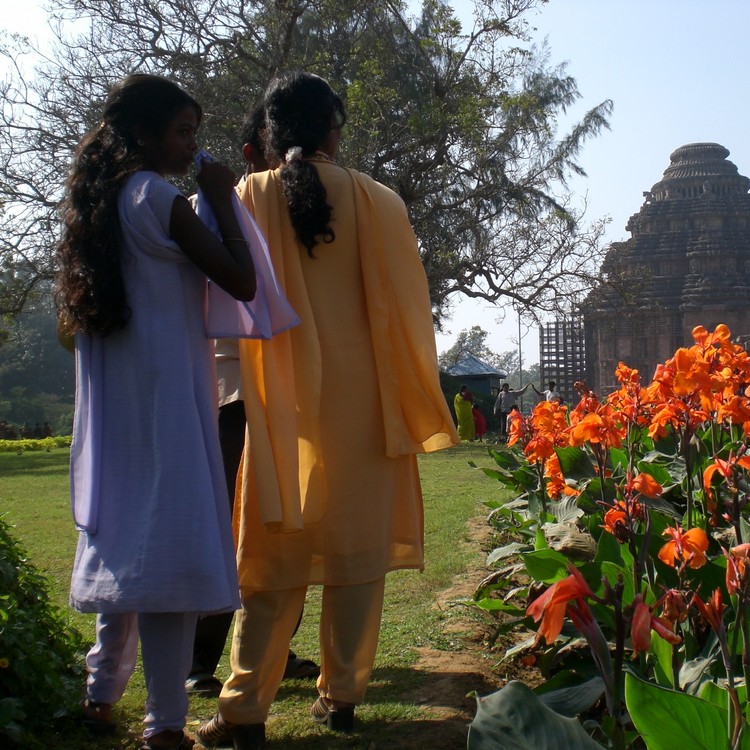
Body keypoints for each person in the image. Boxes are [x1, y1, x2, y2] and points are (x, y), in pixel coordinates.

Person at [197, 72, 458, 749]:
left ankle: (242, 710)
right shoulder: (379, 201)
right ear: (333, 129)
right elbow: (409, 314)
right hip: (368, 408)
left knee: (271, 560)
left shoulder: (247, 197)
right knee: (355, 560)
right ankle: (341, 699)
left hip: (284, 410)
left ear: (269, 135)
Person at [56, 74, 256, 750]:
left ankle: (99, 694)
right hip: (168, 399)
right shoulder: (157, 199)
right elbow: (241, 279)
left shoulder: (98, 204)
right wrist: (223, 198)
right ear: (145, 135)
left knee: (130, 552)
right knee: (167, 558)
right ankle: (164, 725)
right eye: (182, 132)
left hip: (120, 406)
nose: (191, 145)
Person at [186, 104, 319, 699]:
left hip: (289, 389)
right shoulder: (218, 207)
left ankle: (271, 649)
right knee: (228, 520)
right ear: (253, 156)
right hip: (233, 388)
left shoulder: (305, 208)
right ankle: (200, 659)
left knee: (286, 521)